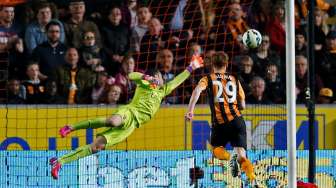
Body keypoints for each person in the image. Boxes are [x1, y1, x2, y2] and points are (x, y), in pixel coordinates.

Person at [50, 55, 204, 179]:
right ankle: (71, 127)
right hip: (129, 112)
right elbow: (131, 75)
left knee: (96, 147)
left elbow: (178, 80)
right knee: (113, 121)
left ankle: (60, 161)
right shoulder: (145, 84)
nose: (161, 78)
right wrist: (147, 77)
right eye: (158, 76)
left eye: (161, 77)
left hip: (132, 126)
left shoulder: (163, 91)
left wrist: (191, 67)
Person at [185, 51, 255, 182]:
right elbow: (243, 105)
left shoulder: (207, 78)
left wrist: (190, 110)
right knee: (242, 156)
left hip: (220, 123)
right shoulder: (235, 79)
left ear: (212, 64)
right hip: (237, 121)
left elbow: (197, 91)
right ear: (226, 64)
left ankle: (229, 157)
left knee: (217, 150)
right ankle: (253, 178)